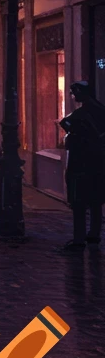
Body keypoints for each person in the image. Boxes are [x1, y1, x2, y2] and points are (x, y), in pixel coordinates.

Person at [60, 81, 105, 251]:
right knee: (95, 201)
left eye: (74, 92)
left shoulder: (84, 113)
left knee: (79, 201)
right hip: (97, 161)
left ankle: (79, 238)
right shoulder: (98, 109)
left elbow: (67, 124)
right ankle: (94, 234)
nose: (73, 96)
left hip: (83, 161)